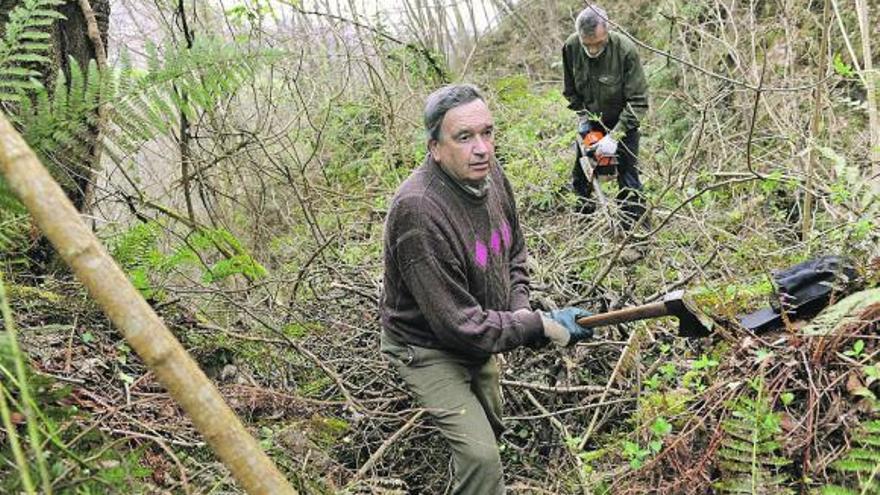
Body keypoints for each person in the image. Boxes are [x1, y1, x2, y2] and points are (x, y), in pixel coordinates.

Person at [379, 84, 593, 494]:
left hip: (480, 328)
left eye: (487, 133)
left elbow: (513, 251)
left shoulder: (489, 173)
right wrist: (539, 326)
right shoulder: (418, 211)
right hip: (426, 347)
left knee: (491, 425)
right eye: (464, 137)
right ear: (435, 148)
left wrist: (521, 312)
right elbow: (457, 325)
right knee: (481, 457)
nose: (482, 148)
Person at [563, 5, 649, 229]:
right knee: (582, 172)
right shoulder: (571, 47)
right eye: (587, 45)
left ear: (607, 32)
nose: (592, 50)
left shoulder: (625, 50)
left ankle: (636, 237)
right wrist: (583, 117)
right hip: (592, 119)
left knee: (628, 178)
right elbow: (570, 89)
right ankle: (583, 222)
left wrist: (615, 136)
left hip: (624, 120)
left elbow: (638, 101)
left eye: (598, 44)